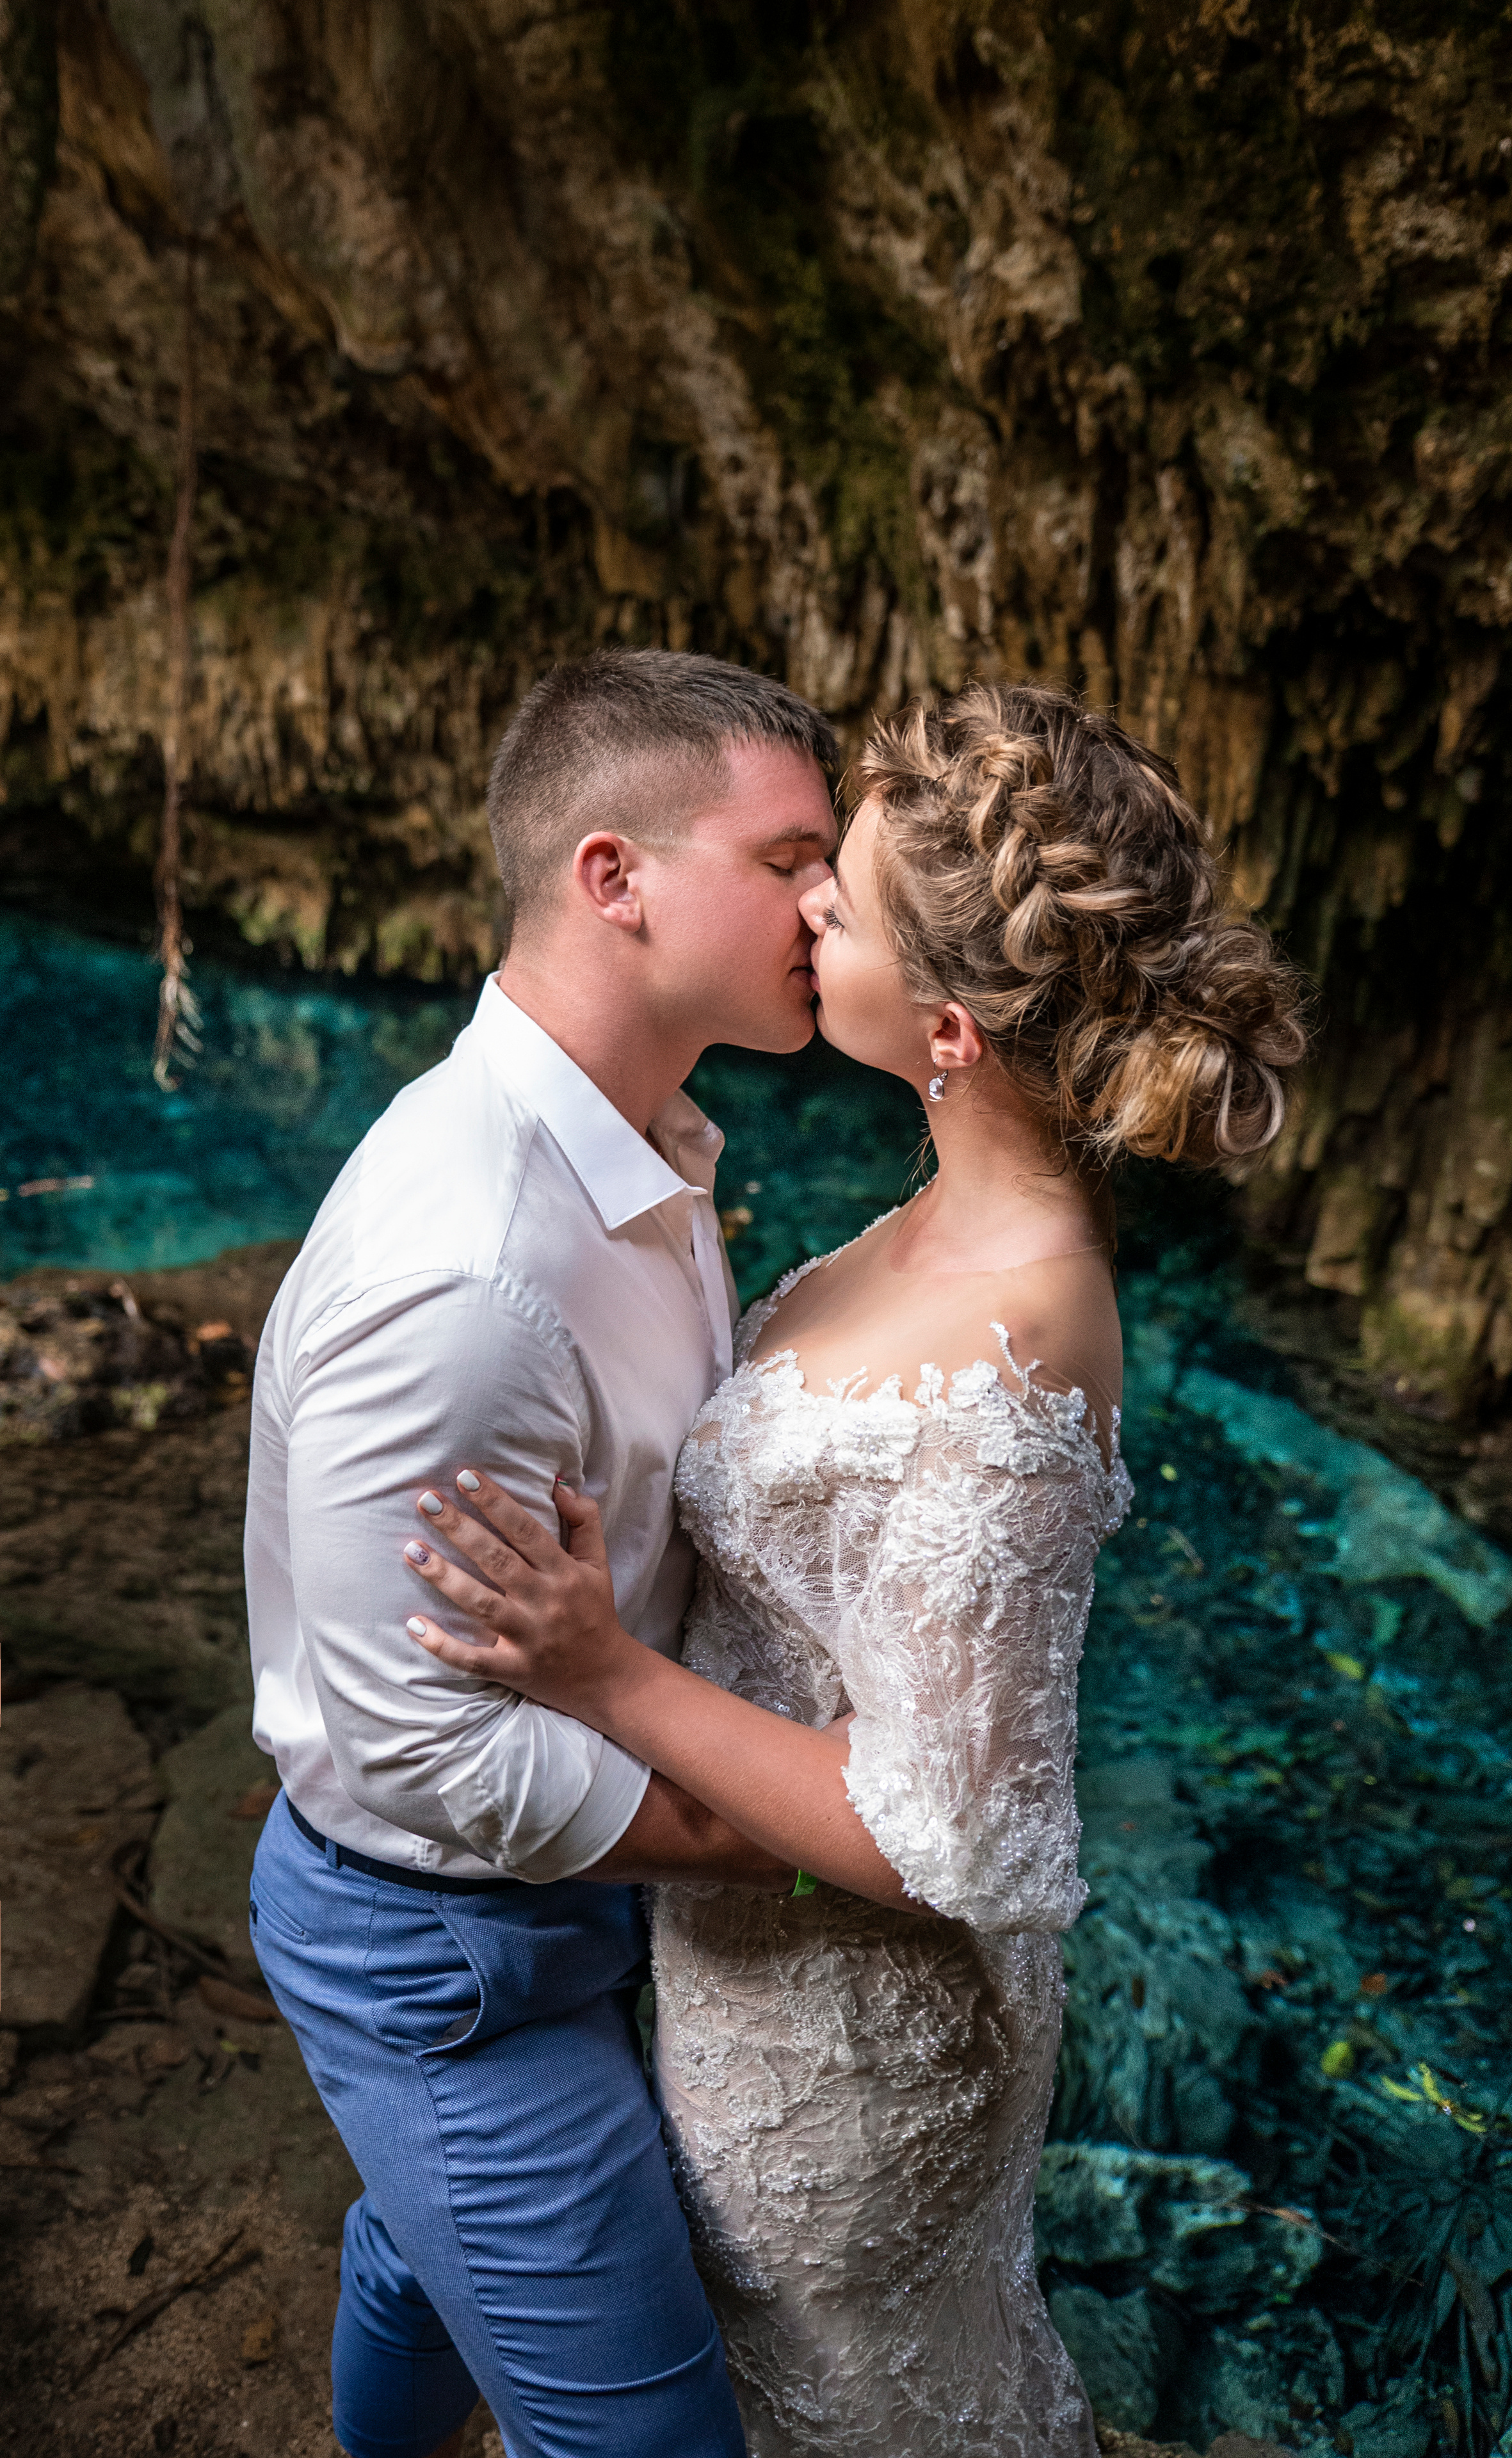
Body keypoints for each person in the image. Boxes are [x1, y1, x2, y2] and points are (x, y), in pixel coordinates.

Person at [398, 682, 1308, 2457]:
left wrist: (602, 1675)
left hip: (853, 2052)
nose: (806, 902)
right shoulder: (930, 1220)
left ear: (949, 1027)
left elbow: (951, 1840)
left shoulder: (1022, 1333)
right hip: (741, 1945)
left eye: (847, 898)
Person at [243, 647, 847, 2458]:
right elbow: (415, 1745)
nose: (837, 901)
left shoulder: (639, 1145)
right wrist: (788, 1849)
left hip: (552, 1892)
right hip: (445, 1956)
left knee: (426, 2266)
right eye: (790, 856)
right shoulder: (469, 1270)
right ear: (615, 876)